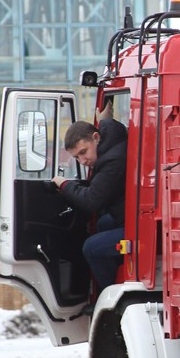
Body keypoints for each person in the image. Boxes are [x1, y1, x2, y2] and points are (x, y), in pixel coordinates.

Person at [54, 108, 127, 291]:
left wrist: (64, 185)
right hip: (128, 213)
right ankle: (122, 273)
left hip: (139, 226)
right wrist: (104, 119)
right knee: (103, 224)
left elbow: (92, 201)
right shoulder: (110, 140)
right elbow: (106, 125)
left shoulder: (112, 160)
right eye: (76, 157)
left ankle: (111, 295)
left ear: (96, 137)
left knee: (91, 248)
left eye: (83, 152)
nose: (83, 160)